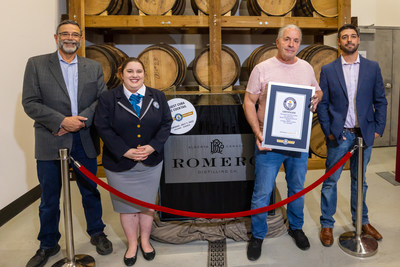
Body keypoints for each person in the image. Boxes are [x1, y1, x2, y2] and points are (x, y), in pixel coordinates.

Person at [22, 20, 113, 267]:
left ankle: (97, 232)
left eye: (75, 34)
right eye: (65, 34)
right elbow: (30, 102)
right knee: (49, 198)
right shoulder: (37, 64)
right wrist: (62, 121)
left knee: (90, 192)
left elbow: (101, 100)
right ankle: (48, 244)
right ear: (56, 37)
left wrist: (80, 122)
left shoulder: (93, 67)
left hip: (84, 138)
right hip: (52, 139)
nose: (70, 38)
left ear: (81, 39)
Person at [243, 24, 323, 261]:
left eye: (296, 40)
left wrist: (317, 97)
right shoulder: (262, 68)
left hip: (297, 143)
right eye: (287, 39)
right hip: (268, 141)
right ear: (277, 42)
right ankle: (257, 235)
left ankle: (296, 228)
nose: (291, 44)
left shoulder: (306, 67)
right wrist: (258, 132)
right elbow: (249, 101)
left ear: (300, 44)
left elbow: (316, 92)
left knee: (297, 189)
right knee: (263, 192)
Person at [94, 57, 172, 266]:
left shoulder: (157, 96)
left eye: (139, 71)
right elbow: (102, 127)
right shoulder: (108, 98)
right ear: (121, 74)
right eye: (130, 71)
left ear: (144, 74)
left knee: (146, 205)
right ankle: (132, 244)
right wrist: (124, 151)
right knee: (127, 207)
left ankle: (145, 241)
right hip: (120, 164)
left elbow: (166, 123)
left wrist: (153, 146)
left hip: (151, 162)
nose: (135, 75)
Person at [317, 24, 387, 247]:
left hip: (364, 135)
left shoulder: (372, 67)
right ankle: (327, 224)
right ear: (338, 42)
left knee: (361, 180)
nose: (349, 40)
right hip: (340, 135)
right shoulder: (328, 70)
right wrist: (328, 131)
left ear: (358, 40)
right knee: (331, 181)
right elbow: (323, 104)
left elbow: (380, 101)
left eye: (353, 36)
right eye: (344, 37)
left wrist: (378, 128)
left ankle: (362, 221)